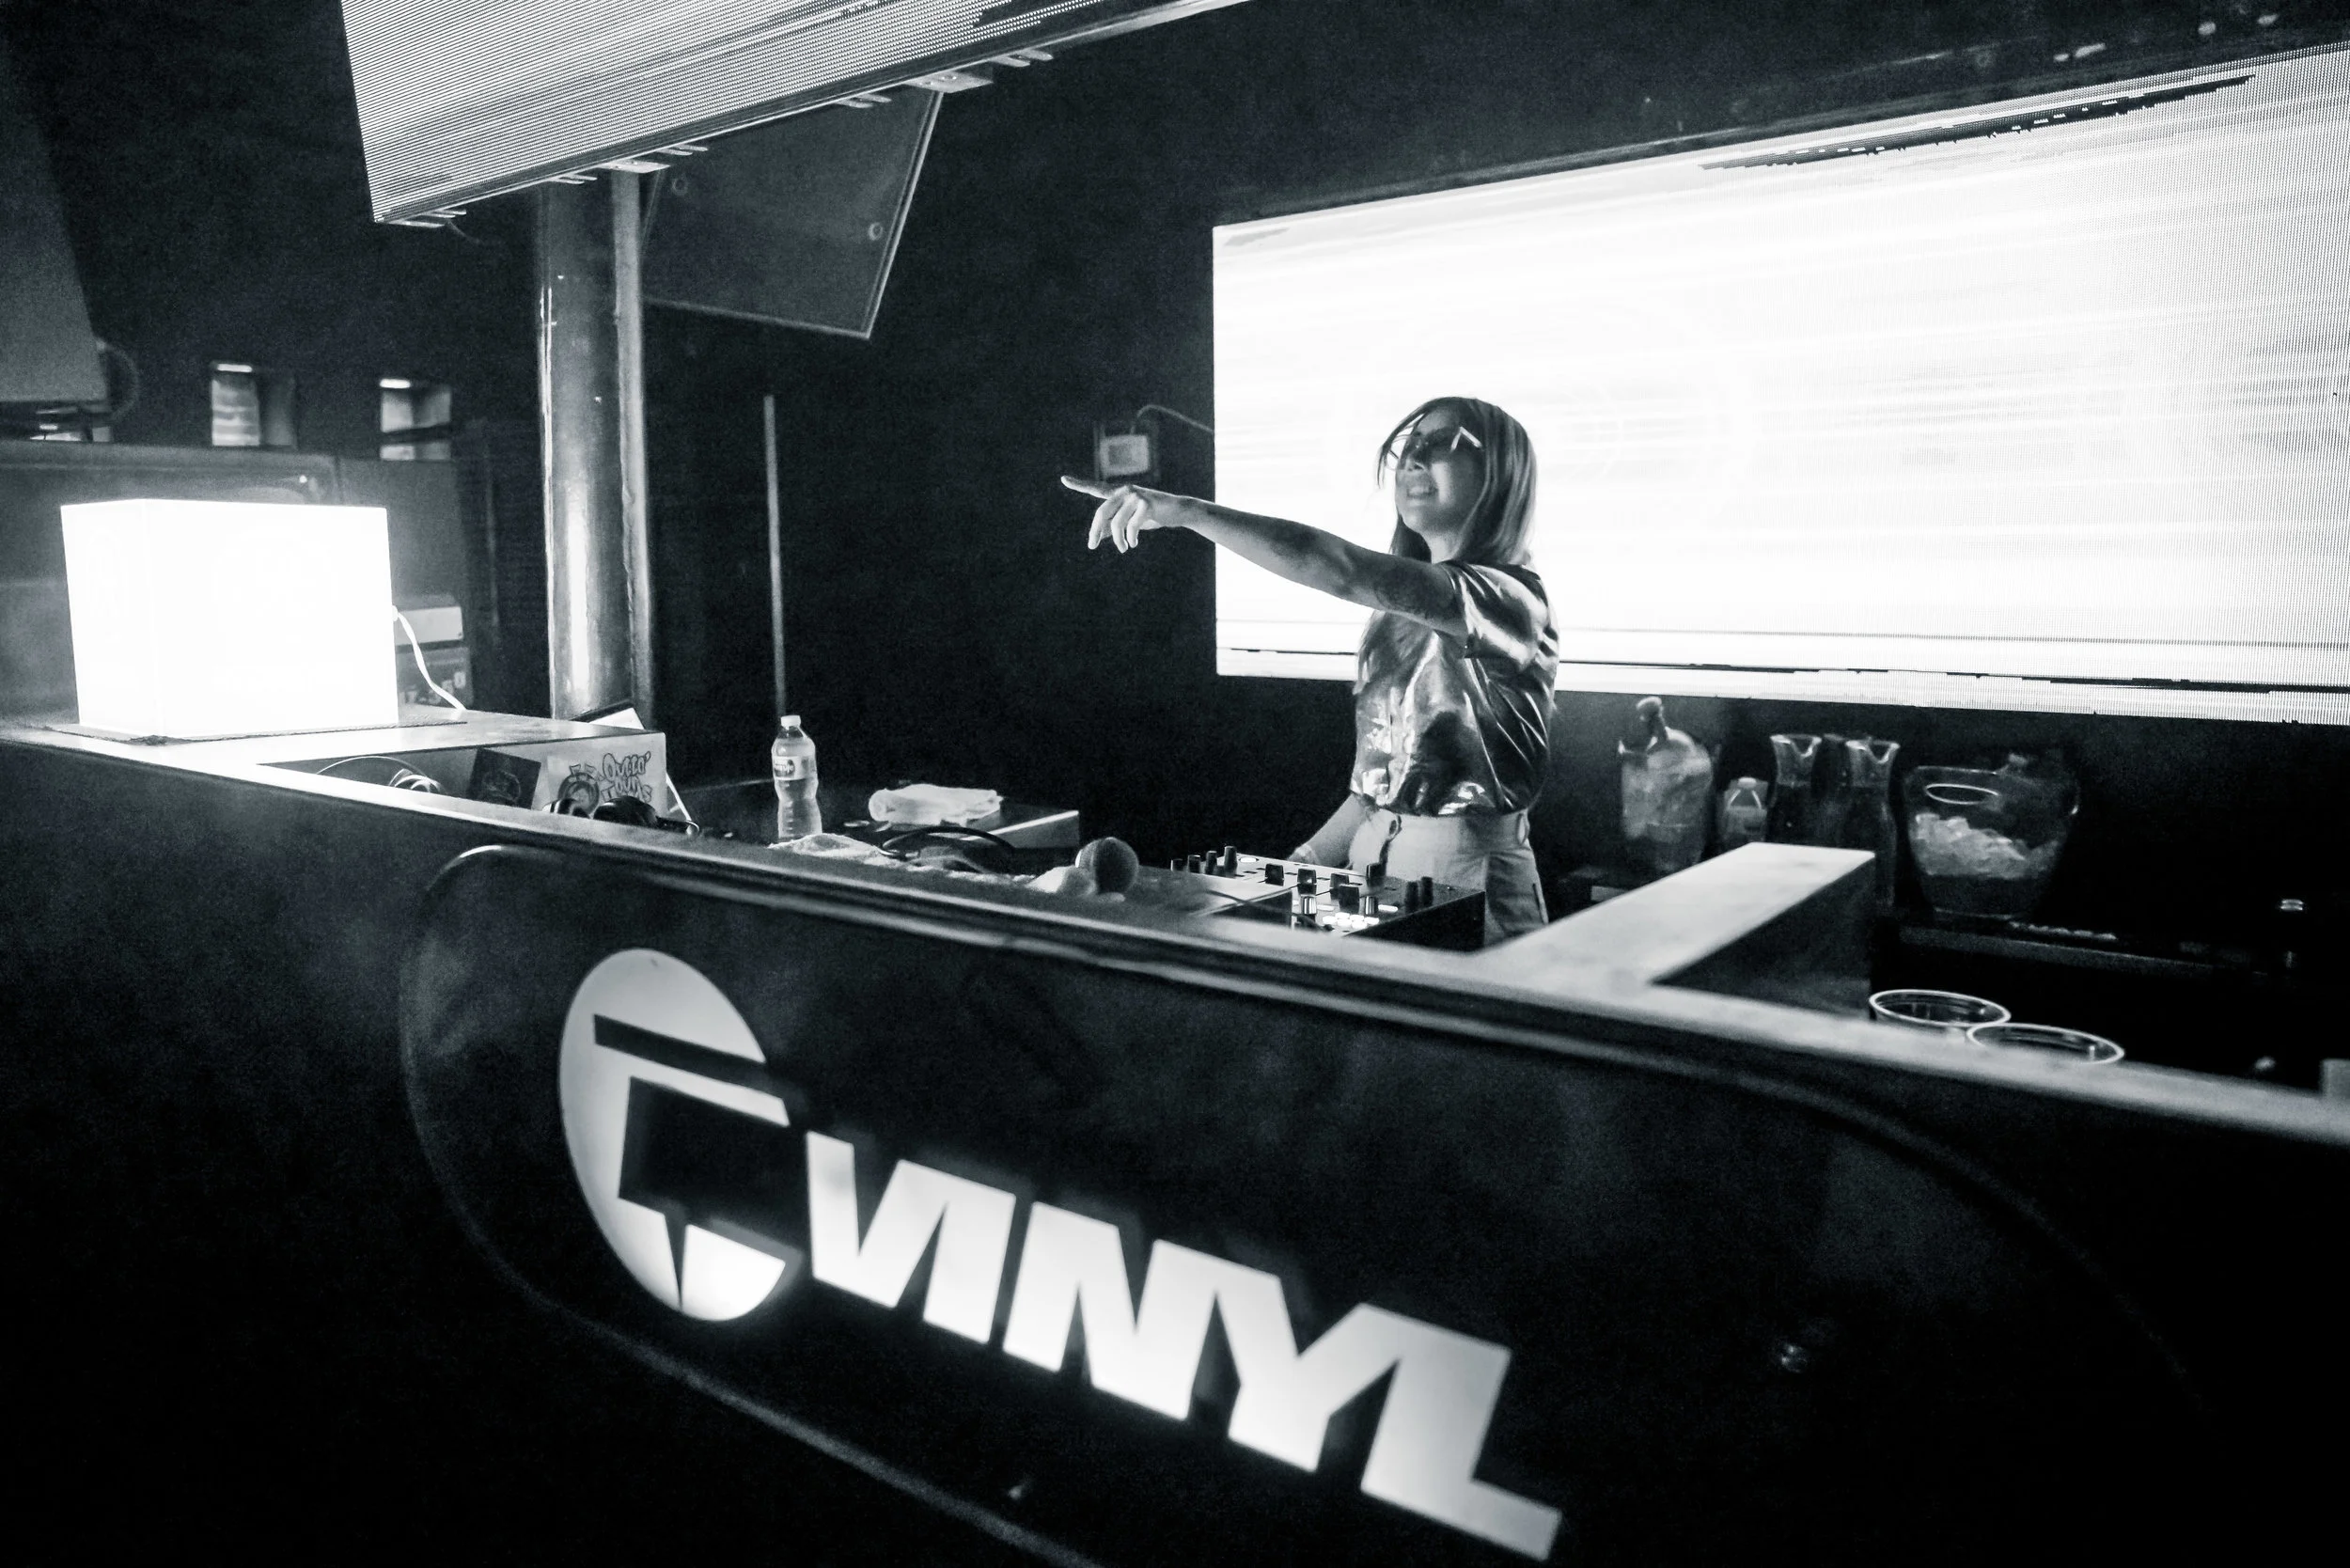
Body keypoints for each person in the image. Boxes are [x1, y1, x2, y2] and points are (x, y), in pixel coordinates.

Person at [1063, 396, 1556, 942]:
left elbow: (1342, 569)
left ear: (1503, 472)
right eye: (1408, 445)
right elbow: (1376, 795)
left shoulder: (1510, 598)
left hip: (1473, 879)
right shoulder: (1395, 619)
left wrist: (1189, 511)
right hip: (1373, 865)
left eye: (1442, 443)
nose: (1414, 458)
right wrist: (1298, 866)